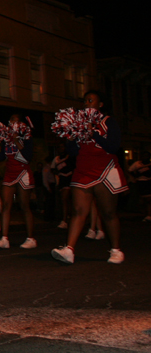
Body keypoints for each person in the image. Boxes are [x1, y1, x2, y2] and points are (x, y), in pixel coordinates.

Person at [52, 90, 127, 264]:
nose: (86, 103)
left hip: (104, 169)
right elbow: (73, 152)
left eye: (90, 100)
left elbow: (113, 146)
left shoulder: (108, 122)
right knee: (78, 211)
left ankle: (116, 250)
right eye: (85, 101)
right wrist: (71, 138)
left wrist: (92, 132)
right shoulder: (79, 123)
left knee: (108, 213)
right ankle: (69, 250)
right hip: (83, 170)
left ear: (100, 105)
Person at [0, 114, 37, 250]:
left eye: (15, 121)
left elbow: (28, 156)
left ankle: (30, 238)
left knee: (24, 205)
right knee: (6, 205)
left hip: (23, 171)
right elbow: (1, 157)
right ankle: (4, 238)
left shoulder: (26, 136)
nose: (12, 123)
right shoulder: (6, 138)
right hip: (10, 172)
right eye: (11, 120)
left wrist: (17, 140)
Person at [51, 142, 75, 229]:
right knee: (64, 200)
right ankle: (65, 220)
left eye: (62, 147)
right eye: (59, 147)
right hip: (62, 181)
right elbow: (53, 169)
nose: (61, 149)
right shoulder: (56, 159)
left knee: (69, 200)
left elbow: (72, 167)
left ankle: (67, 219)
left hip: (71, 180)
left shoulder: (70, 157)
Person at [129, 150, 151, 223]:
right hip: (140, 182)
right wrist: (135, 176)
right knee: (142, 199)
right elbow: (130, 171)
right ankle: (145, 214)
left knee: (148, 199)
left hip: (148, 182)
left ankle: (148, 215)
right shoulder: (137, 164)